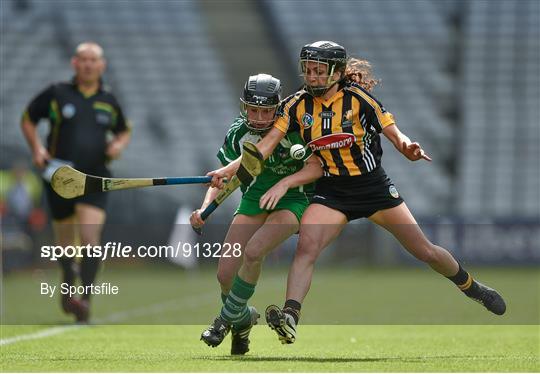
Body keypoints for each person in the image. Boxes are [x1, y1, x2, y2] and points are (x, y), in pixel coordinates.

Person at [208, 41, 506, 344]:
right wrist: (228, 170)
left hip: (372, 187)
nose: (311, 77)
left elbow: (393, 131)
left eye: (319, 71)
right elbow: (266, 144)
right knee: (307, 248)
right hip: (332, 192)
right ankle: (290, 317)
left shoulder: (359, 99)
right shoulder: (295, 105)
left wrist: (408, 147)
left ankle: (472, 287)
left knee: (425, 251)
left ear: (336, 72)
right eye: (308, 70)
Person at [191, 73, 317, 354]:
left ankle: (224, 321)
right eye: (253, 109)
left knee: (254, 251)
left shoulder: (292, 127)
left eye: (266, 110)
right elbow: (221, 178)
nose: (259, 117)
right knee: (225, 275)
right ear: (243, 106)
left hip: (292, 200)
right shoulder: (238, 133)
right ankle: (244, 318)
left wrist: (286, 184)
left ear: (277, 107)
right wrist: (204, 208)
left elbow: (317, 167)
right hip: (254, 199)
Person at [20, 42, 131, 322]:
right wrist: (37, 149)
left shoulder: (109, 99)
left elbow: (124, 130)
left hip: (95, 177)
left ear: (102, 65)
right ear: (74, 63)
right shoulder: (57, 93)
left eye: (93, 60)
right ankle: (69, 279)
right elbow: (28, 119)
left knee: (91, 239)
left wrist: (118, 145)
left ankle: (85, 300)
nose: (88, 64)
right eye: (83, 59)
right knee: (66, 242)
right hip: (61, 177)